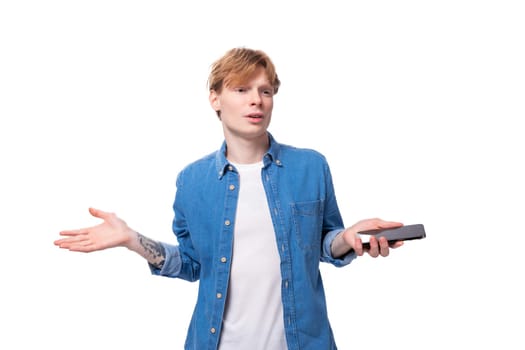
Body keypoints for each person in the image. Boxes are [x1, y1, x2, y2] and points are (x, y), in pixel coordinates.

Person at [54, 47, 404, 350]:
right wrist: (132, 240)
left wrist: (347, 238)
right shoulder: (193, 181)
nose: (257, 100)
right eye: (242, 89)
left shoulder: (311, 166)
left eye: (266, 91)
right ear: (215, 98)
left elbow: (325, 245)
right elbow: (192, 264)